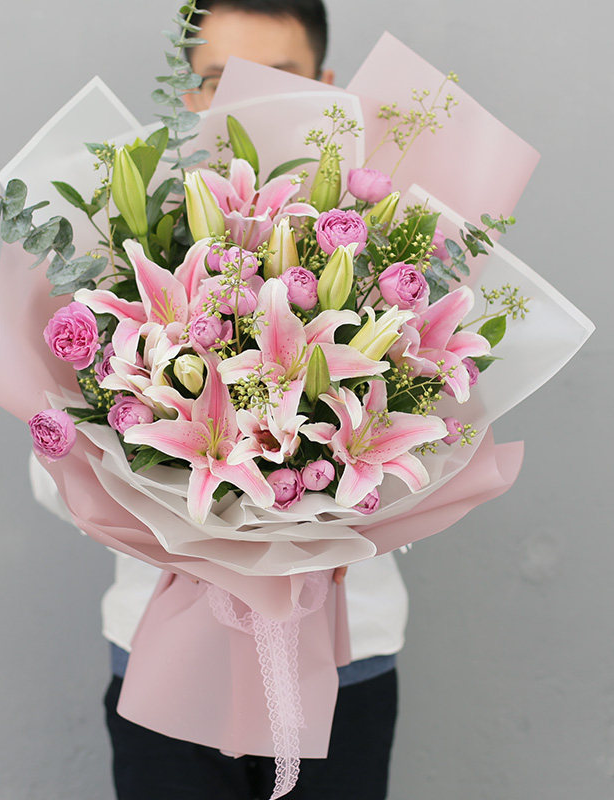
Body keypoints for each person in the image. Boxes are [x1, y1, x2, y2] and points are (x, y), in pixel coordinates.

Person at [99, 3, 408, 799]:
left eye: (274, 81)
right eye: (216, 81)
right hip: (163, 653)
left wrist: (310, 489)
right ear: (187, 95)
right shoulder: (118, 239)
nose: (240, 106)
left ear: (327, 89)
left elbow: (434, 445)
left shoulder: (388, 247)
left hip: (343, 658)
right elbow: (54, 466)